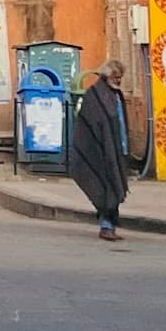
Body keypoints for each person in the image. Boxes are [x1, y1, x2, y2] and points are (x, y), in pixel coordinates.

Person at [69, 59, 130, 240]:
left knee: (114, 186)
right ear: (106, 76)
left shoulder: (116, 95)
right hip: (99, 151)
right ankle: (106, 226)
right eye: (115, 77)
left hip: (116, 150)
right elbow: (90, 126)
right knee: (105, 188)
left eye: (120, 77)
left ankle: (109, 225)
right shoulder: (94, 96)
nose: (118, 80)